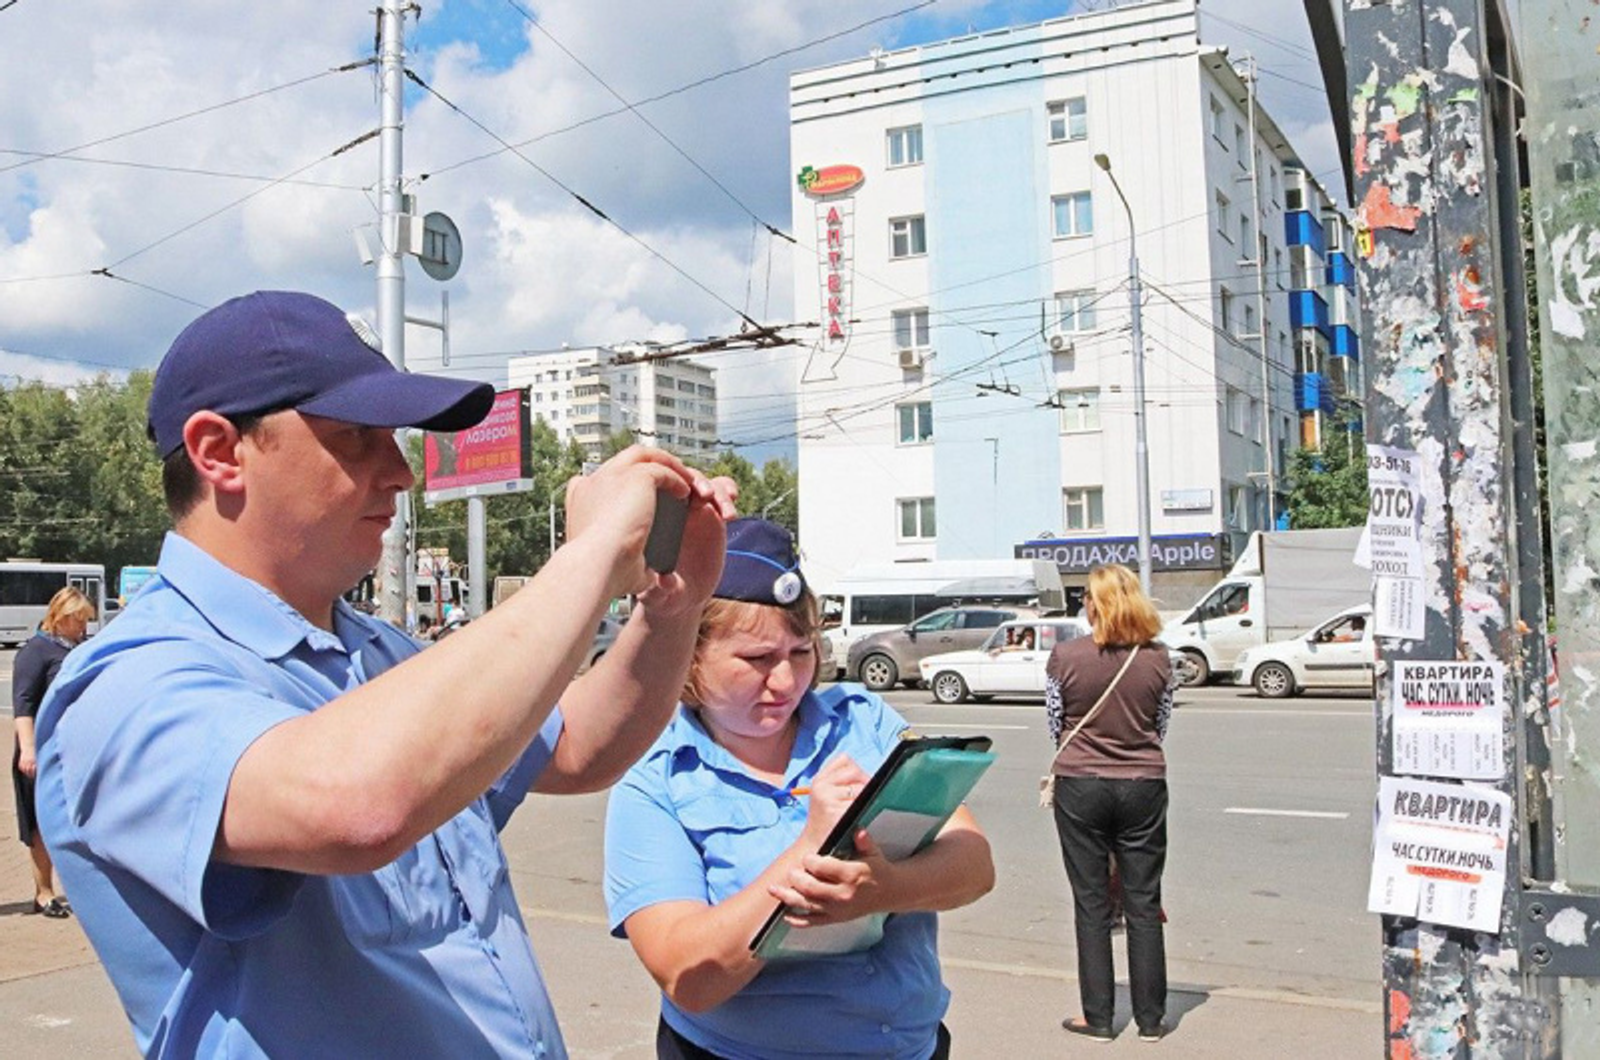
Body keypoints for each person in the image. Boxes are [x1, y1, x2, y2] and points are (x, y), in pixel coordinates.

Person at [32, 290, 737, 1059]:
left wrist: (674, 609)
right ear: (217, 451)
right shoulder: (125, 682)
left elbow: (579, 747)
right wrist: (590, 556)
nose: (400, 473)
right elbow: (354, 806)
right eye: (357, 437)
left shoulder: (374, 649)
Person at [604, 518, 995, 1060]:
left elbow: (974, 866)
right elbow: (688, 977)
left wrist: (883, 889)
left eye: (801, 652)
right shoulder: (657, 776)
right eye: (757, 659)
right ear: (688, 655)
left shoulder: (862, 723)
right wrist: (807, 855)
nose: (786, 682)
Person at [1043, 563, 1175, 1044]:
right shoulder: (1160, 659)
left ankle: (1098, 1018)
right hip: (1143, 783)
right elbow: (1160, 724)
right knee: (1143, 901)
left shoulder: (1065, 656)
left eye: (1086, 600)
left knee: (1092, 903)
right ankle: (1151, 1019)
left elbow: (1056, 722)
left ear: (1096, 605)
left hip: (1081, 784)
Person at [12, 586, 95, 919]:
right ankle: (44, 893)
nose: (82, 628)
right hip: (41, 748)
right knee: (39, 823)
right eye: (78, 621)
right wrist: (28, 750)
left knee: (73, 819)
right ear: (59, 618)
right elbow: (23, 703)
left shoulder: (78, 649)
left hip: (72, 748)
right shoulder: (36, 651)